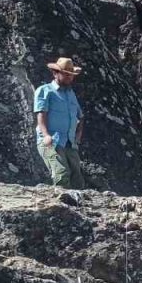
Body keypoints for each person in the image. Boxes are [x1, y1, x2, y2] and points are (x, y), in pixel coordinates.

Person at [34, 57, 84, 189]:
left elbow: (80, 115)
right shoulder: (45, 91)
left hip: (69, 142)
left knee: (77, 178)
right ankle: (62, 205)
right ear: (55, 73)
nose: (69, 78)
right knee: (61, 173)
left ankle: (76, 207)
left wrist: (78, 134)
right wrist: (45, 135)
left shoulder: (70, 93)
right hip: (52, 140)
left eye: (71, 75)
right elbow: (41, 114)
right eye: (66, 74)